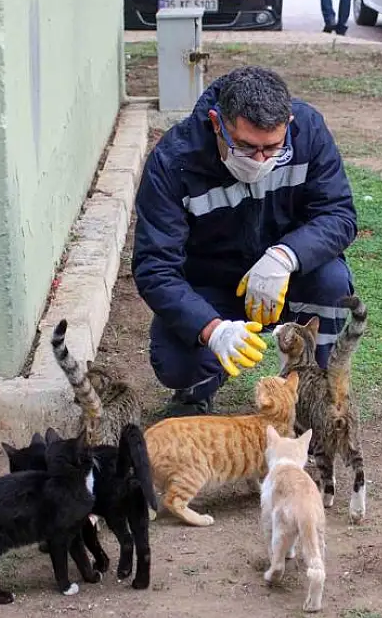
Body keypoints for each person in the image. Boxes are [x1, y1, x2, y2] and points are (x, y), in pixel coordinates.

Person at [132, 65, 358, 419]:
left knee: (332, 282)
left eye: (272, 148)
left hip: (288, 280)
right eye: (246, 147)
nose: (259, 160)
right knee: (175, 359)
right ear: (216, 122)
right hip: (214, 290)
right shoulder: (172, 162)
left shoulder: (308, 131)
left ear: (289, 121)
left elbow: (339, 215)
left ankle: (312, 387)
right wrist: (212, 329)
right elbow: (154, 268)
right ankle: (198, 389)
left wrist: (286, 256)